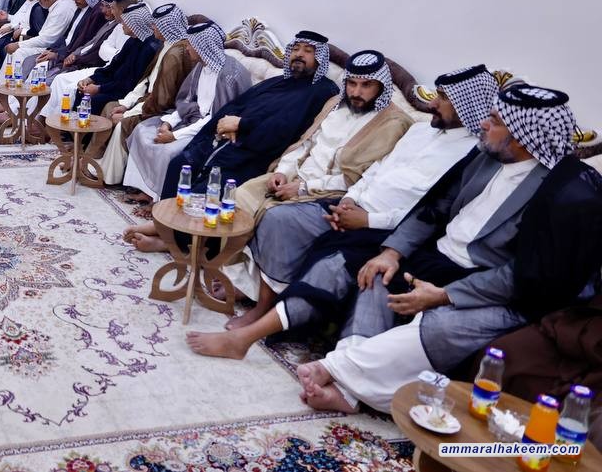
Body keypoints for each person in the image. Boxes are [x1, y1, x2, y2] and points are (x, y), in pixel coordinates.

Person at [298, 85, 596, 414]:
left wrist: (445, 295)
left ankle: (335, 372)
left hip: (486, 283)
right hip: (437, 257)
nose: (483, 124)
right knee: (378, 276)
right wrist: (392, 252)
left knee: (439, 325)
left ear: (524, 136)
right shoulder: (486, 157)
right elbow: (435, 206)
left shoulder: (560, 193)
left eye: (496, 121)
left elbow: (525, 274)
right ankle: (350, 390)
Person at [181, 64, 495, 360]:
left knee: (285, 223)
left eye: (444, 98)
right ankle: (249, 291)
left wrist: (366, 219)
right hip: (351, 205)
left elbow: (429, 214)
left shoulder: (470, 155)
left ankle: (263, 313)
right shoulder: (420, 130)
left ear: (468, 104)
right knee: (275, 217)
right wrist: (351, 201)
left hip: (384, 228)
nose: (433, 104)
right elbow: (376, 170)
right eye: (438, 95)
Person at [222, 49, 414, 314]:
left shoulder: (393, 123)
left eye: (366, 85)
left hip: (326, 192)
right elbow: (306, 143)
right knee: (240, 196)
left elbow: (357, 179)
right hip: (295, 176)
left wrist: (302, 188)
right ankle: (236, 277)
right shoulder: (336, 103)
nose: (356, 92)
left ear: (381, 86)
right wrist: (283, 171)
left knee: (272, 215)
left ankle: (257, 294)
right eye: (352, 83)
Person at [123, 31, 341, 247]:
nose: (299, 54)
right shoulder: (278, 81)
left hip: (254, 152)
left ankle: (170, 240)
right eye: (296, 49)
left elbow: (286, 126)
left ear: (319, 58)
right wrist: (223, 122)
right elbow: (238, 104)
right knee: (180, 164)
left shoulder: (321, 91)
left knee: (211, 189)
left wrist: (241, 125)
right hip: (226, 138)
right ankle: (165, 224)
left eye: (308, 51)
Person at [120, 20, 253, 202]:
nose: (187, 48)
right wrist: (168, 123)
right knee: (141, 131)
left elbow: (216, 118)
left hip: (209, 131)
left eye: (190, 44)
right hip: (190, 120)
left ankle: (159, 200)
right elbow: (185, 101)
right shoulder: (201, 66)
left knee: (167, 152)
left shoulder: (227, 75)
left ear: (202, 47)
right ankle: (146, 191)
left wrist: (174, 136)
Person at [91, 1, 194, 161]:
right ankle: (92, 157)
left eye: (156, 24)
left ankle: (105, 169)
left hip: (156, 107)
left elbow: (162, 98)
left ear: (166, 27)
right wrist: (126, 104)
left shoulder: (175, 54)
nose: (152, 27)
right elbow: (145, 80)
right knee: (110, 108)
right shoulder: (165, 46)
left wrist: (128, 113)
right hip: (144, 99)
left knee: (122, 124)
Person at [4, 0, 77, 73]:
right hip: (45, 42)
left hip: (54, 47)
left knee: (19, 52)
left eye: (39, 0)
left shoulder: (61, 10)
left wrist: (19, 44)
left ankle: (14, 80)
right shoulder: (59, 3)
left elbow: (48, 40)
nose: (39, 3)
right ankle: (4, 80)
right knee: (11, 49)